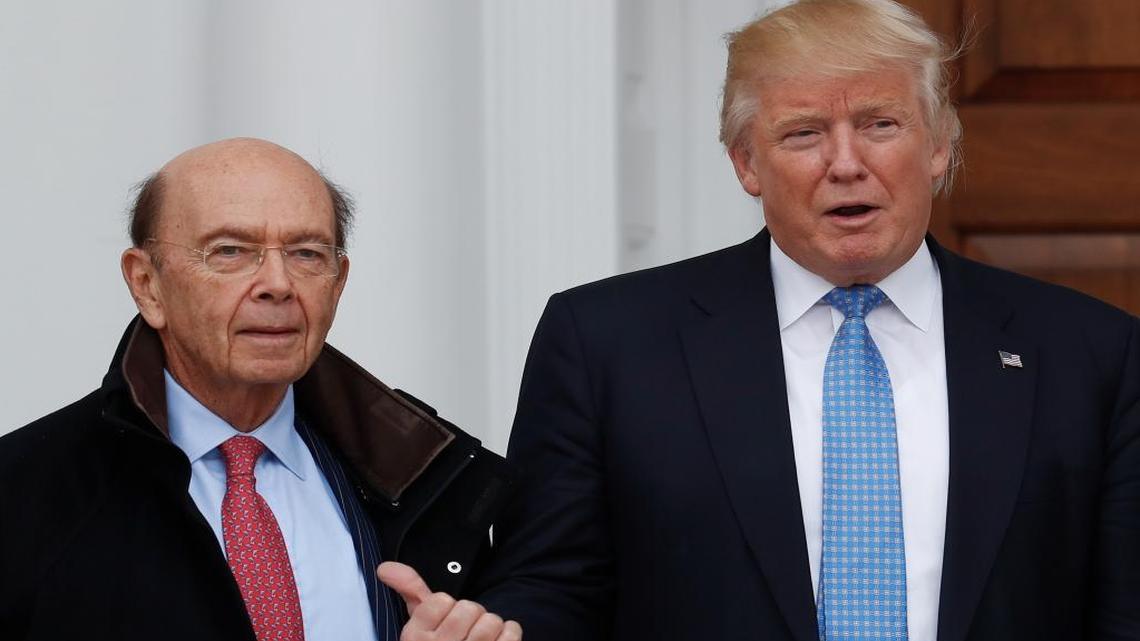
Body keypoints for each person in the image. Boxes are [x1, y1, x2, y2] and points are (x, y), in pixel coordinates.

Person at [471, 1, 1140, 640]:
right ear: (746, 163)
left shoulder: (1090, 354)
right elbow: (550, 587)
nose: (846, 164)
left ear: (937, 147)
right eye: (804, 133)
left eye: (881, 124)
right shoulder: (605, 344)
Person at [0, 138, 521, 641]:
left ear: (338, 284)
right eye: (230, 251)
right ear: (146, 284)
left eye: (307, 254)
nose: (278, 283)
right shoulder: (26, 493)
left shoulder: (434, 481)